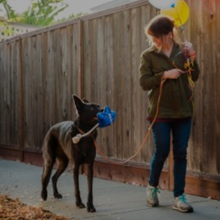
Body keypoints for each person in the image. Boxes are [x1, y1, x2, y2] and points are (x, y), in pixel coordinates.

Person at [139, 15, 200, 213]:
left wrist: (192, 59)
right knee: (163, 150)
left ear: (167, 34)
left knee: (181, 153)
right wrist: (164, 75)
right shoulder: (148, 56)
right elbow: (144, 83)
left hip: (183, 110)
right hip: (160, 111)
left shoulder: (182, 51)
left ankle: (179, 197)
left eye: (155, 36)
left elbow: (195, 75)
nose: (153, 40)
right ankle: (152, 187)